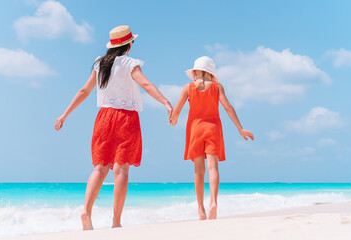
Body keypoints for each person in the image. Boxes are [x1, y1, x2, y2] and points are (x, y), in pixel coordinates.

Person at [54, 25, 173, 230]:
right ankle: (116, 222)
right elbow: (145, 84)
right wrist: (165, 102)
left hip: (103, 117)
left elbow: (84, 90)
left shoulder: (100, 64)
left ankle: (86, 211)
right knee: (121, 170)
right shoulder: (129, 63)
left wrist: (65, 114)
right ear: (129, 44)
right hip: (126, 118)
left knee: (100, 167)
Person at [170, 56, 254, 220]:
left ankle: (201, 209)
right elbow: (228, 107)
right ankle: (213, 202)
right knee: (213, 168)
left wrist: (173, 120)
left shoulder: (188, 88)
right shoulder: (217, 87)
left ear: (194, 72)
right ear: (210, 73)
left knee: (198, 172)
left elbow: (177, 111)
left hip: (195, 130)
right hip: (213, 129)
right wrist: (240, 128)